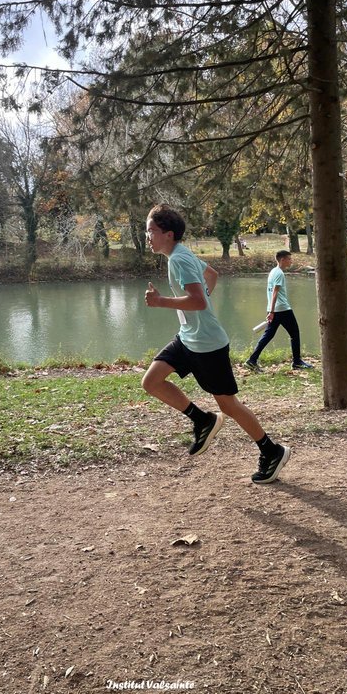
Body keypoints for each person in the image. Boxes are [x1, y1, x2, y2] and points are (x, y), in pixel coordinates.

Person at [142, 204, 290, 485]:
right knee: (152, 381)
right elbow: (212, 275)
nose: (147, 236)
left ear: (168, 234)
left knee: (229, 406)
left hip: (208, 345)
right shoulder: (180, 254)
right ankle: (202, 420)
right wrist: (200, 303)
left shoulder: (178, 260)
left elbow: (198, 300)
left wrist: (162, 302)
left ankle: (272, 450)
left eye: (151, 230)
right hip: (188, 339)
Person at [244, 249, 313, 372]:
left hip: (274, 309)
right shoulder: (279, 274)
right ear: (282, 260)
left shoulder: (273, 271)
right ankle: (297, 362)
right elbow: (275, 292)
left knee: (268, 335)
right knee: (295, 334)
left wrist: (270, 310)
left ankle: (252, 360)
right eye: (289, 259)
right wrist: (271, 311)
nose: (291, 261)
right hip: (282, 309)